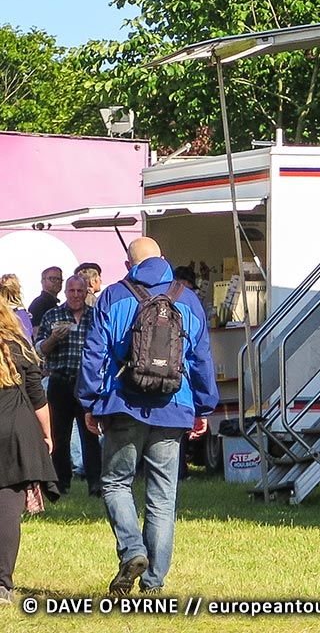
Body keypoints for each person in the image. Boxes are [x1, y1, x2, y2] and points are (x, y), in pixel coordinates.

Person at [80, 237, 216, 598]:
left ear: (130, 265)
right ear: (163, 260)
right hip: (174, 406)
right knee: (162, 498)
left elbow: (94, 352)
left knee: (115, 483)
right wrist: (203, 407)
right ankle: (153, 582)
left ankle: (132, 551)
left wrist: (90, 400)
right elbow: (201, 359)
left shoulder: (113, 296)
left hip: (123, 402)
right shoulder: (188, 299)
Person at [0, 305, 58, 606]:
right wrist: (47, 434)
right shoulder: (19, 344)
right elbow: (37, 396)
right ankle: (2, 584)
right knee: (7, 510)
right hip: (15, 433)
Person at [34, 276, 101, 495]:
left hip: (87, 383)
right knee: (59, 436)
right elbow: (39, 350)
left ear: (85, 293)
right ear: (65, 292)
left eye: (79, 291)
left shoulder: (95, 316)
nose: (75, 295)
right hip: (60, 381)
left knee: (91, 434)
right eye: (71, 291)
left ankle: (95, 483)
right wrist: (53, 338)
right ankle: (60, 482)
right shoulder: (52, 315)